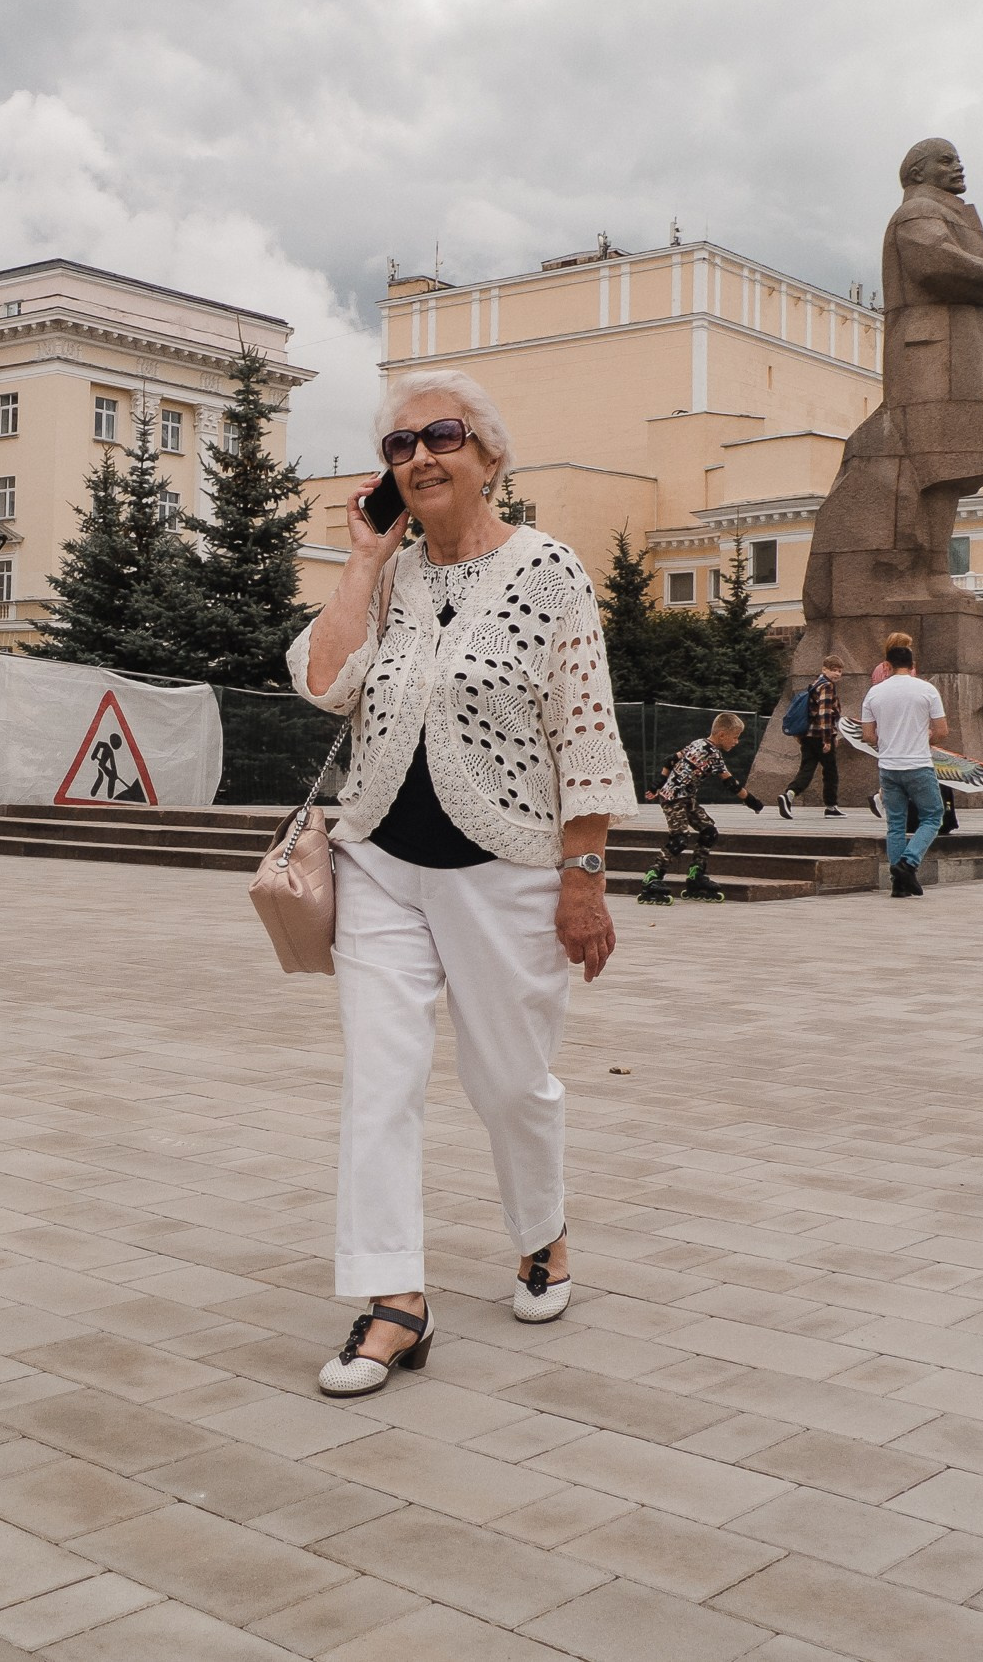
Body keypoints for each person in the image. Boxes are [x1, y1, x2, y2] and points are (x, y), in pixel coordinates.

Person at [291, 368, 632, 1398]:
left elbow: (583, 729)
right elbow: (322, 683)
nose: (419, 457)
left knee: (508, 1084)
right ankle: (394, 1299)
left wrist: (584, 880)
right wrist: (360, 561)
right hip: (380, 869)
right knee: (379, 1086)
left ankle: (542, 1232)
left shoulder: (549, 573)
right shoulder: (387, 577)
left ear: (488, 454)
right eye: (399, 446)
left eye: (439, 436)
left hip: (509, 873)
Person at [640, 713, 767, 904]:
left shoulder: (696, 743)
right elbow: (731, 783)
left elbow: (669, 760)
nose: (737, 742)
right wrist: (753, 802)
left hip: (686, 798)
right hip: (674, 799)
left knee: (709, 832)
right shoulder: (713, 754)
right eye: (735, 737)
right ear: (722, 735)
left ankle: (696, 875)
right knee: (679, 840)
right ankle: (652, 877)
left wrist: (656, 784)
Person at [858, 633, 948, 896]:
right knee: (932, 816)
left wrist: (885, 742)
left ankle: (899, 884)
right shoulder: (927, 690)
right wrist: (925, 737)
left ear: (887, 665)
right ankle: (908, 863)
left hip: (888, 766)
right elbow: (942, 730)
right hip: (918, 764)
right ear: (912, 665)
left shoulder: (874, 693)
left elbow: (867, 735)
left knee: (895, 823)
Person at [777, 656, 847, 818]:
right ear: (824, 669)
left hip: (807, 735)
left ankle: (789, 794)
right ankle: (831, 806)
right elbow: (824, 714)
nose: (837, 674)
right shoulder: (827, 686)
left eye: (839, 671)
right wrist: (827, 739)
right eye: (833, 669)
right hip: (819, 736)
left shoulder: (815, 683)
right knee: (830, 772)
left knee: (807, 768)